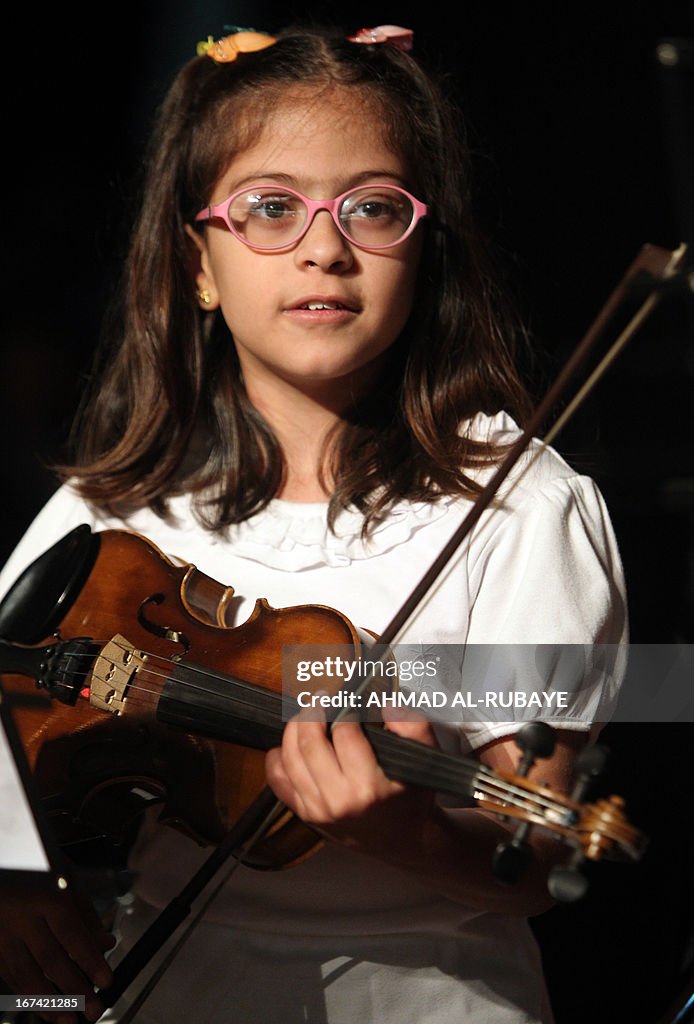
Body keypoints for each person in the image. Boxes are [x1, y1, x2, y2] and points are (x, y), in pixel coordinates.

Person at [0, 23, 627, 1024]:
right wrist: (14, 877)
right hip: (166, 988)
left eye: (373, 208)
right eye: (271, 209)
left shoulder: (522, 508)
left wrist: (405, 832)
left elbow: (536, 860)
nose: (325, 247)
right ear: (197, 260)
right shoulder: (115, 509)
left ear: (424, 248)